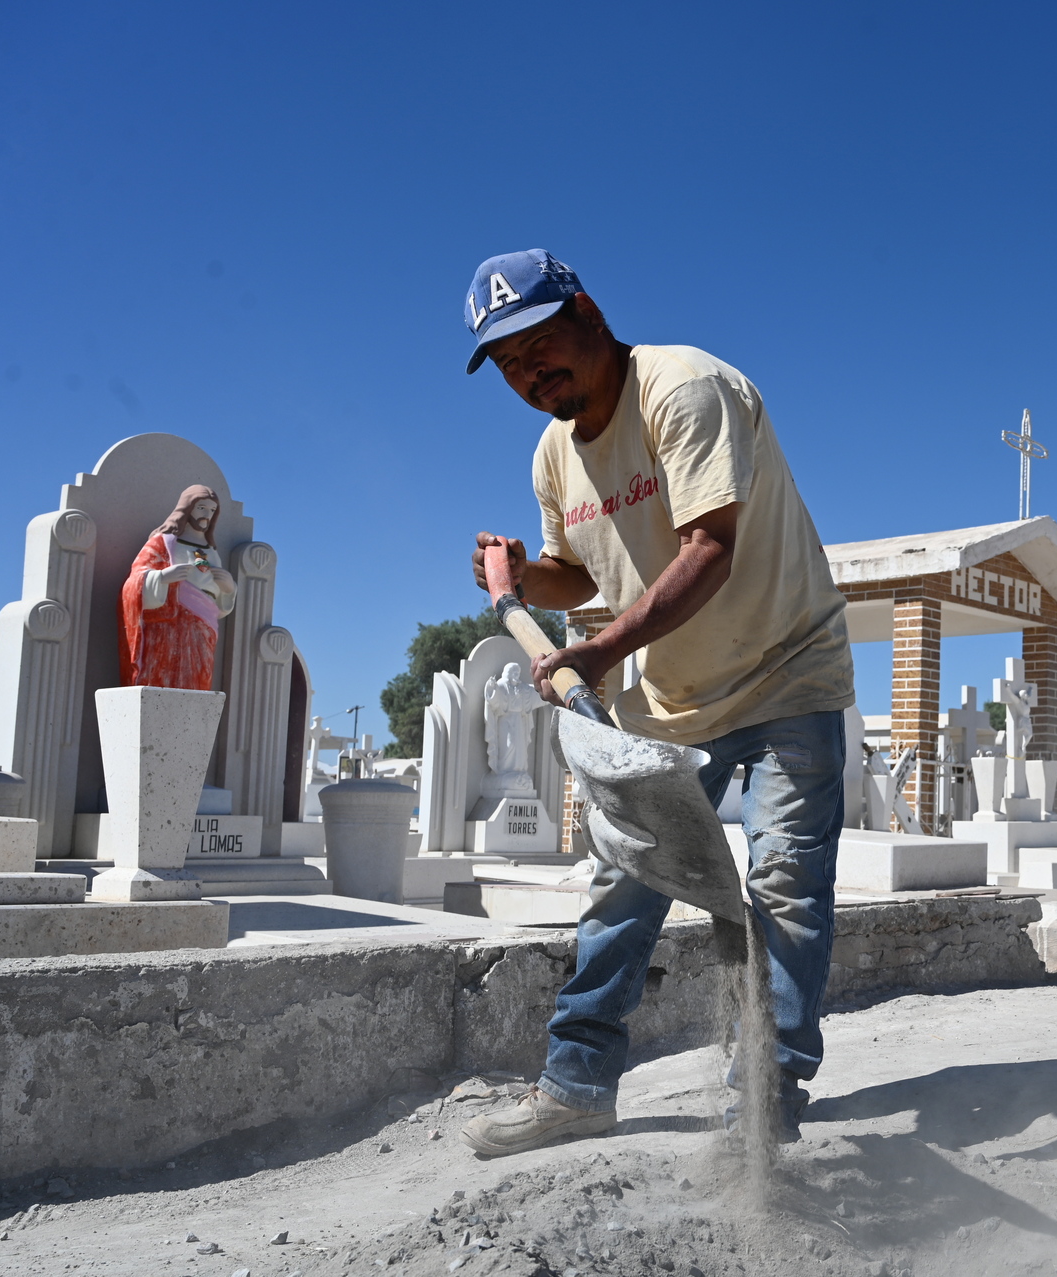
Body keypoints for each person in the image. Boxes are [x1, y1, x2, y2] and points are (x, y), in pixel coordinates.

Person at [455, 250, 855, 1158]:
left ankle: (766, 1091)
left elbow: (708, 545)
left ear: (588, 311)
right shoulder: (554, 453)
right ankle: (577, 1084)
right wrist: (526, 574)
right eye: (507, 364)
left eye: (537, 343)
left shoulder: (685, 386)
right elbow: (581, 573)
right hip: (673, 697)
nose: (527, 373)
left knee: (786, 885)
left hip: (789, 671)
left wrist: (594, 649)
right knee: (621, 885)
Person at [118, 485, 237, 689]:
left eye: (211, 510)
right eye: (201, 508)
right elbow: (133, 582)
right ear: (187, 508)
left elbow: (220, 605)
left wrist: (229, 589)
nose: (206, 515)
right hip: (169, 624)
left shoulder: (211, 551)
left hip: (204, 626)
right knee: (163, 675)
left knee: (198, 678)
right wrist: (161, 577)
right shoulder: (163, 543)